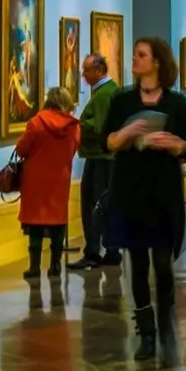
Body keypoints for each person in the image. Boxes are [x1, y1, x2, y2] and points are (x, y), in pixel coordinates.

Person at [101, 38, 186, 357]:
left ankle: (166, 323)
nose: (134, 60)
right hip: (131, 190)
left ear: (157, 62)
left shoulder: (177, 103)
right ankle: (147, 332)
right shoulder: (123, 100)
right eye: (134, 54)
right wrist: (126, 135)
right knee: (137, 264)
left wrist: (173, 145)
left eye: (141, 55)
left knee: (163, 265)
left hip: (163, 191)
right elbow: (108, 142)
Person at [13, 86, 79, 281]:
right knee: (58, 222)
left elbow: (21, 149)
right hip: (60, 179)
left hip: (35, 181)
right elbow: (74, 148)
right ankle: (55, 265)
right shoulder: (73, 126)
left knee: (35, 223)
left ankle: (34, 267)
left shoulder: (36, 122)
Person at [69, 52, 120, 270]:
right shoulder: (108, 91)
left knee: (94, 204)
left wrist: (76, 123)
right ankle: (111, 249)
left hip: (101, 157)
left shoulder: (104, 95)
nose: (83, 75)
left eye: (86, 70)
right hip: (106, 157)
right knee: (106, 204)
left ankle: (92, 251)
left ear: (99, 71)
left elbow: (99, 126)